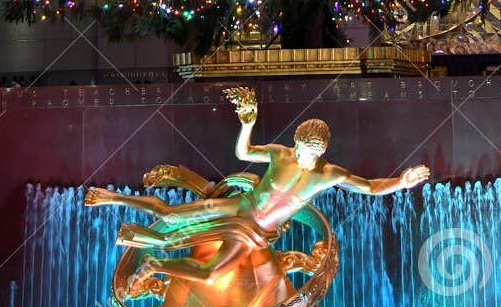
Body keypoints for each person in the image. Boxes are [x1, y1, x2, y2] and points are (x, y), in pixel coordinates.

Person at [85, 86, 430, 288]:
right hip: (240, 206)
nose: (303, 156)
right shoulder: (281, 155)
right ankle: (113, 198)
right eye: (301, 149)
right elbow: (244, 152)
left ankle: (155, 266)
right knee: (171, 216)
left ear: (323, 151)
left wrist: (402, 181)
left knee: (210, 275)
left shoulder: (330, 175)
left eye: (312, 152)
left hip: (255, 231)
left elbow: (369, 187)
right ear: (295, 142)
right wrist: (247, 123)